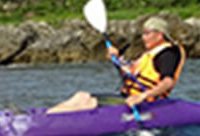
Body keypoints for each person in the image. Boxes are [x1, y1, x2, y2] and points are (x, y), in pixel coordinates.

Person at [48, 16, 186, 113]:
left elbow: (168, 82)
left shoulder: (168, 54)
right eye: (143, 34)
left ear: (159, 34)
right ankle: (47, 115)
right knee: (81, 96)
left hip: (146, 103)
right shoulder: (150, 53)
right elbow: (129, 75)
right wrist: (117, 60)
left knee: (87, 101)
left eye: (147, 34)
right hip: (128, 97)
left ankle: (47, 122)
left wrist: (142, 96)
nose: (143, 38)